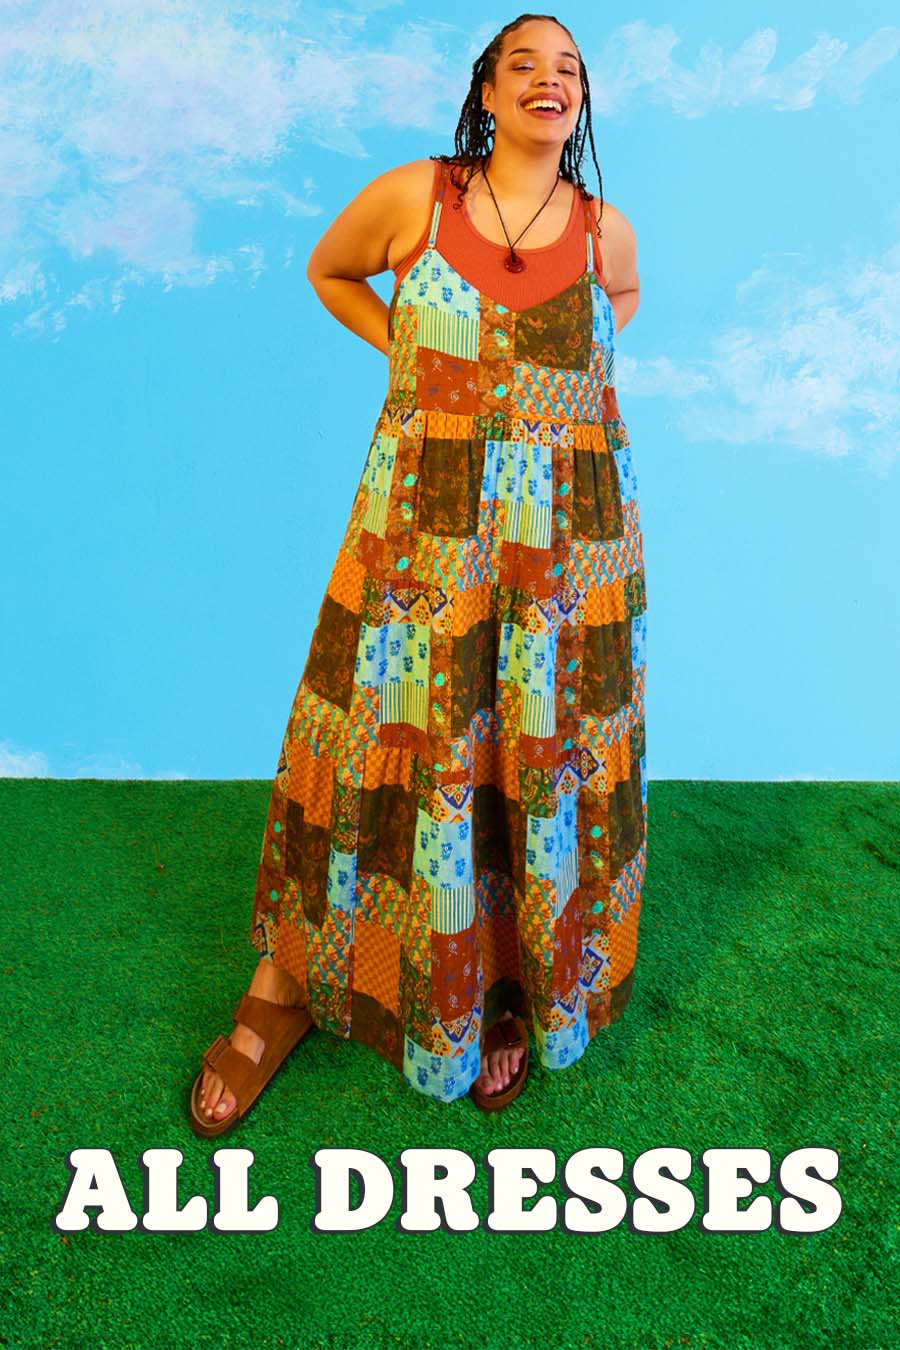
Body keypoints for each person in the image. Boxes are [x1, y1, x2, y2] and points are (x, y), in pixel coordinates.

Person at [190, 10, 645, 1135]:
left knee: (533, 761)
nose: (549, 80)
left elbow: (618, 315)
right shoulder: (417, 198)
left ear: (581, 101)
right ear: (487, 91)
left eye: (568, 69)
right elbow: (331, 271)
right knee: (368, 743)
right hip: (417, 542)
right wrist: (414, 350)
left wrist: (544, 410)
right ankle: (281, 986)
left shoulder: (606, 233)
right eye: (524, 64)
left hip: (560, 564)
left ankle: (505, 987)